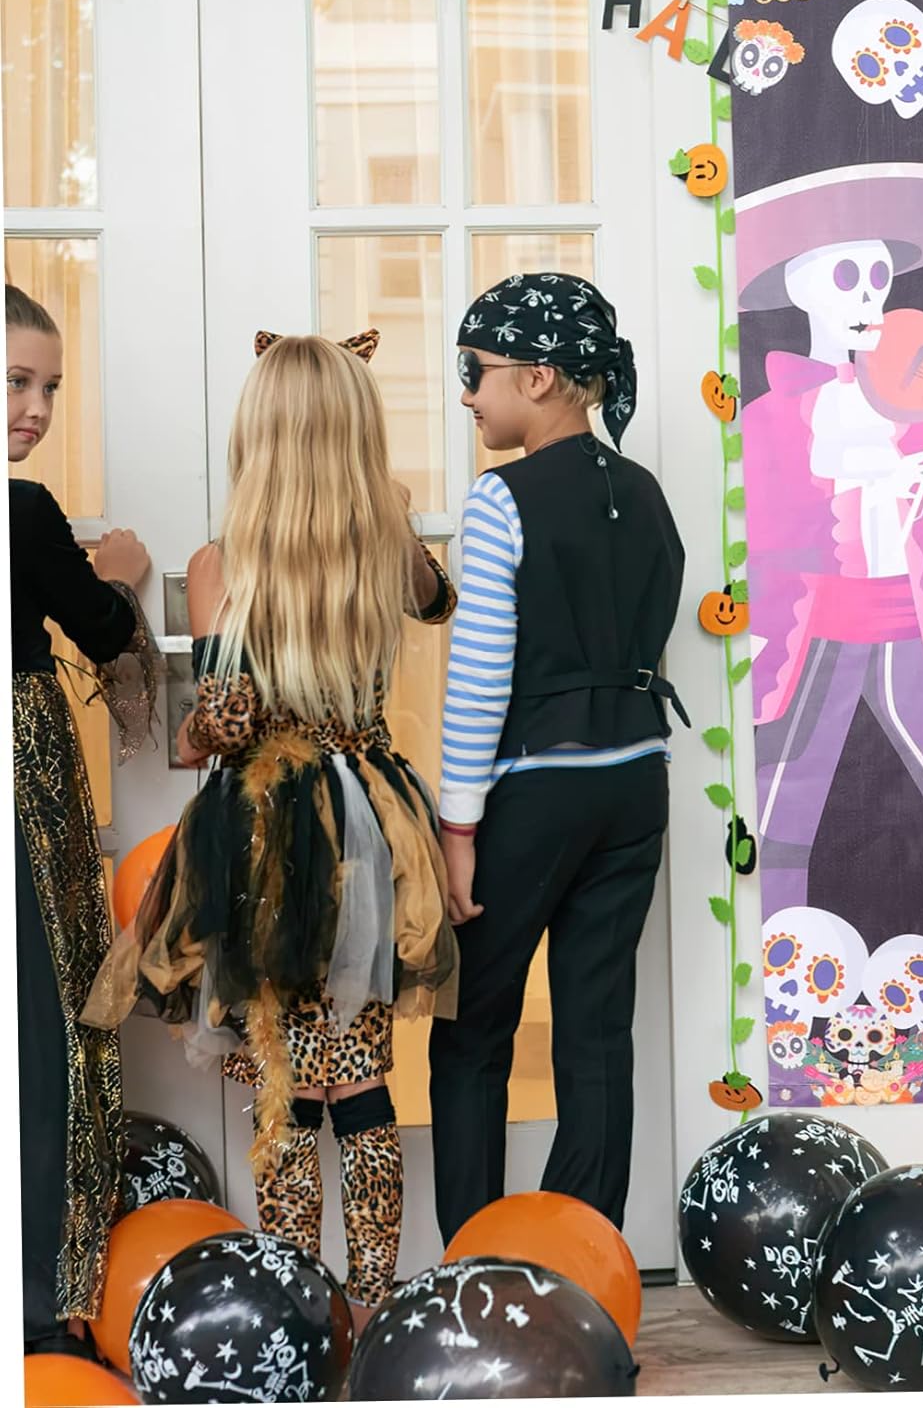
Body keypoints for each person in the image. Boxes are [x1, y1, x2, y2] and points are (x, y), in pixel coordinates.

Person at [83, 330, 459, 1318]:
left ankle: (296, 1302)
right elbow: (438, 600)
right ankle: (373, 1305)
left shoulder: (222, 565)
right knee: (363, 1082)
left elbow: (225, 721)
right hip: (369, 826)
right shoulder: (385, 552)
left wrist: (184, 724)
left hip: (263, 835)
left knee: (283, 1077)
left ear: (257, 434)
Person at [429, 273, 687, 1243]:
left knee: (472, 1030)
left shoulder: (501, 501)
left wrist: (459, 829)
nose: (466, 392)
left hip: (534, 792)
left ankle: (475, 1262)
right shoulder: (648, 494)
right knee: (596, 1031)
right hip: (637, 783)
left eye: (475, 369)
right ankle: (582, 1265)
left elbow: (479, 682)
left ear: (537, 377)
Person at [8, 283, 159, 1356]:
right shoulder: (22, 514)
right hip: (22, 789)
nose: (37, 409)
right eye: (17, 381)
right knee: (42, 1025)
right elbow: (110, 632)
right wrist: (124, 577)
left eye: (51, 387)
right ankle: (35, 1303)